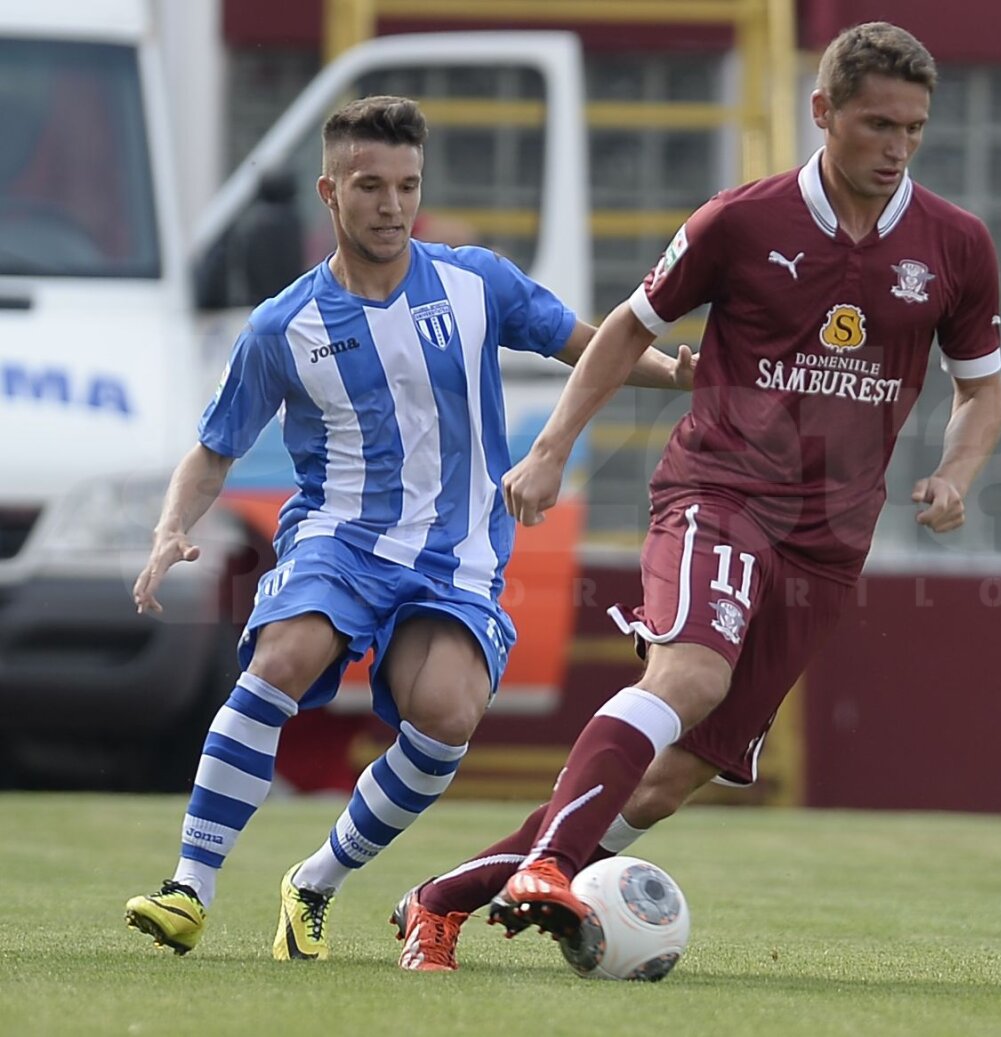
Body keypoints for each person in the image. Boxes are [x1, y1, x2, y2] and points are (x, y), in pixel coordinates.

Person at [388, 21, 1001, 972]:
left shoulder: (954, 245)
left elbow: (981, 387)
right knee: (691, 674)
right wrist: (551, 449)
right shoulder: (741, 222)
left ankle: (443, 900)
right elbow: (627, 331)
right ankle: (551, 864)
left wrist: (957, 473)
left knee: (670, 781)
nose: (897, 148)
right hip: (720, 491)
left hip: (828, 539)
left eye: (914, 129)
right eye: (878, 124)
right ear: (823, 113)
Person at [123, 95, 694, 960]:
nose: (391, 205)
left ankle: (314, 880)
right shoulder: (285, 325)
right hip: (339, 538)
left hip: (459, 556)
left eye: (407, 185)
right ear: (330, 192)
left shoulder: (475, 282)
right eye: (370, 185)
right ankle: (188, 889)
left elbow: (590, 344)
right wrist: (171, 529)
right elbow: (214, 446)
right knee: (284, 655)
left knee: (447, 716)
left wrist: (673, 373)